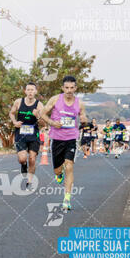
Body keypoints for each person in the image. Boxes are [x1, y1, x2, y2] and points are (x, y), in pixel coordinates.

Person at [40, 76, 88, 211]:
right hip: (56, 138)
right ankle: (58, 174)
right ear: (63, 88)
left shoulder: (79, 103)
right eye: (66, 88)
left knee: (69, 167)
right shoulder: (55, 99)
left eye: (72, 88)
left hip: (71, 139)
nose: (69, 90)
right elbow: (42, 114)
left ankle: (67, 199)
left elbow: (83, 117)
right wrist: (53, 123)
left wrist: (83, 119)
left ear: (75, 88)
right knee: (58, 169)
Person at [9, 82, 44, 190]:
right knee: (22, 158)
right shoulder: (19, 102)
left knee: (32, 159)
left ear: (35, 92)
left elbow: (43, 123)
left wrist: (38, 115)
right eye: (28, 90)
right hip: (21, 134)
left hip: (33, 134)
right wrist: (14, 122)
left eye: (32, 90)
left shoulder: (39, 105)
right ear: (25, 91)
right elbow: (11, 113)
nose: (30, 92)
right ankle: (23, 165)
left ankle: (30, 181)